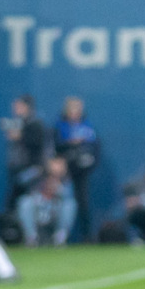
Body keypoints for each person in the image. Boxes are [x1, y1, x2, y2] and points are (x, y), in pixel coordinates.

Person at [54, 97, 99, 241]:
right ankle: (60, 235)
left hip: (82, 171)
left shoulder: (87, 126)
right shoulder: (60, 126)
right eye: (72, 109)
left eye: (77, 109)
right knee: (64, 200)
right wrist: (71, 145)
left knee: (83, 202)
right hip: (64, 171)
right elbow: (56, 147)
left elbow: (94, 148)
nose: (75, 112)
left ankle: (87, 235)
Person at [1, 94, 51, 209]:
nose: (15, 108)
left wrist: (21, 137)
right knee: (15, 197)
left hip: (34, 169)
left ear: (27, 107)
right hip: (17, 169)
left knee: (23, 196)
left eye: (19, 106)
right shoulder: (17, 123)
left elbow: (38, 142)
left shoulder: (36, 124)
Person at [17, 158, 77, 247]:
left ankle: (60, 238)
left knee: (70, 204)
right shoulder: (37, 175)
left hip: (54, 212)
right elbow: (20, 180)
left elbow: (69, 195)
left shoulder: (65, 180)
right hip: (38, 210)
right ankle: (31, 237)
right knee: (25, 202)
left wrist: (58, 187)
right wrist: (38, 171)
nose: (56, 168)